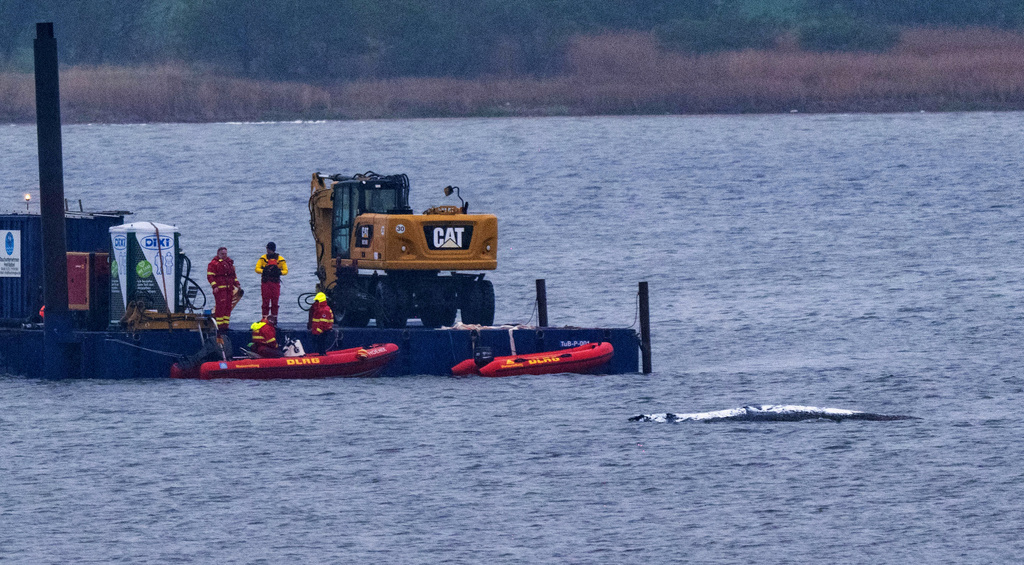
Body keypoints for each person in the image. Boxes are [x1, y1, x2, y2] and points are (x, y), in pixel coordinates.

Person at [207, 247, 241, 334]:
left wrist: (237, 284)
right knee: (220, 308)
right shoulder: (213, 264)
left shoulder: (229, 263)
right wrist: (214, 286)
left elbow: (233, 275)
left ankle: (226, 326)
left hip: (229, 289)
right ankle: (219, 327)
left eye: (225, 254)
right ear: (218, 254)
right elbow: (210, 276)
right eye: (222, 254)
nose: (224, 255)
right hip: (220, 290)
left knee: (228, 307)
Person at [255, 242, 288, 325]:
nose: (268, 251)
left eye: (269, 249)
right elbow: (257, 269)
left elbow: (286, 271)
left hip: (275, 283)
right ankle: (264, 319)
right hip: (266, 283)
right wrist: (264, 271)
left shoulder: (280, 259)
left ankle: (274, 320)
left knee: (275, 301)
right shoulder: (263, 258)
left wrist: (279, 272)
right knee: (265, 301)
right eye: (268, 249)